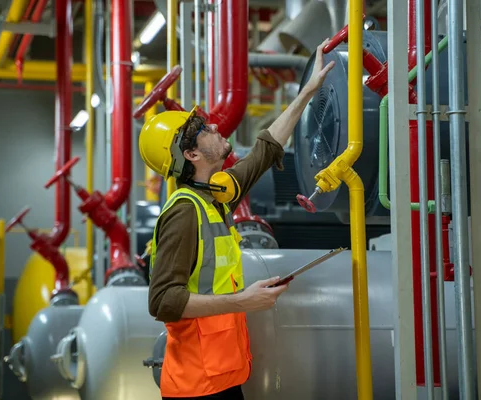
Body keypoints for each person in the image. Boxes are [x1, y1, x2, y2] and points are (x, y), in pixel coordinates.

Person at [138, 39, 336, 400]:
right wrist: (243, 301)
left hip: (222, 376)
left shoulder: (215, 195)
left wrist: (307, 92)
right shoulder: (184, 212)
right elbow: (163, 300)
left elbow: (265, 149)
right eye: (205, 130)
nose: (215, 127)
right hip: (195, 388)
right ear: (192, 153)